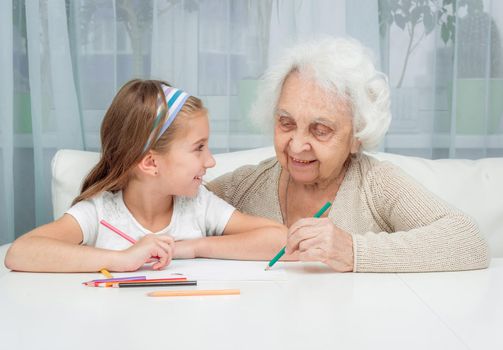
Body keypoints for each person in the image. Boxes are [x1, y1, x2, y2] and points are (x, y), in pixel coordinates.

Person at [207, 37, 490, 273]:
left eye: (320, 130)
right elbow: (172, 212)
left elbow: (468, 241)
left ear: (357, 136)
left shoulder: (376, 183)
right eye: (286, 123)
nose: (296, 146)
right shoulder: (248, 185)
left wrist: (354, 250)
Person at [4, 79, 286, 273]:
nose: (210, 161)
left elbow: (282, 239)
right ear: (151, 163)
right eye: (198, 148)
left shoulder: (199, 206)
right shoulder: (100, 213)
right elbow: (21, 252)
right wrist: (122, 259)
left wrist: (191, 247)